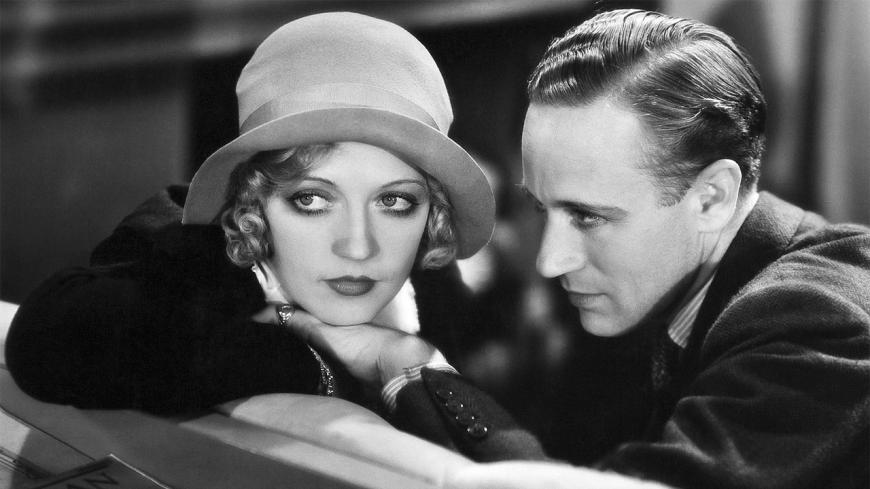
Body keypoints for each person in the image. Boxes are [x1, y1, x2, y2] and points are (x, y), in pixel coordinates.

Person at [285, 8, 870, 489]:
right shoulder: (682, 284)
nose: (550, 260)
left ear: (712, 197)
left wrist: (405, 363)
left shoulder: (816, 320)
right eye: (543, 210)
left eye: (588, 216)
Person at [5, 12, 501, 416]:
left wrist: (409, 362)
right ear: (251, 203)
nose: (358, 246)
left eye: (394, 202)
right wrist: (315, 361)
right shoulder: (189, 252)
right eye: (311, 199)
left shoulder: (432, 285)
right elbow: (45, 342)